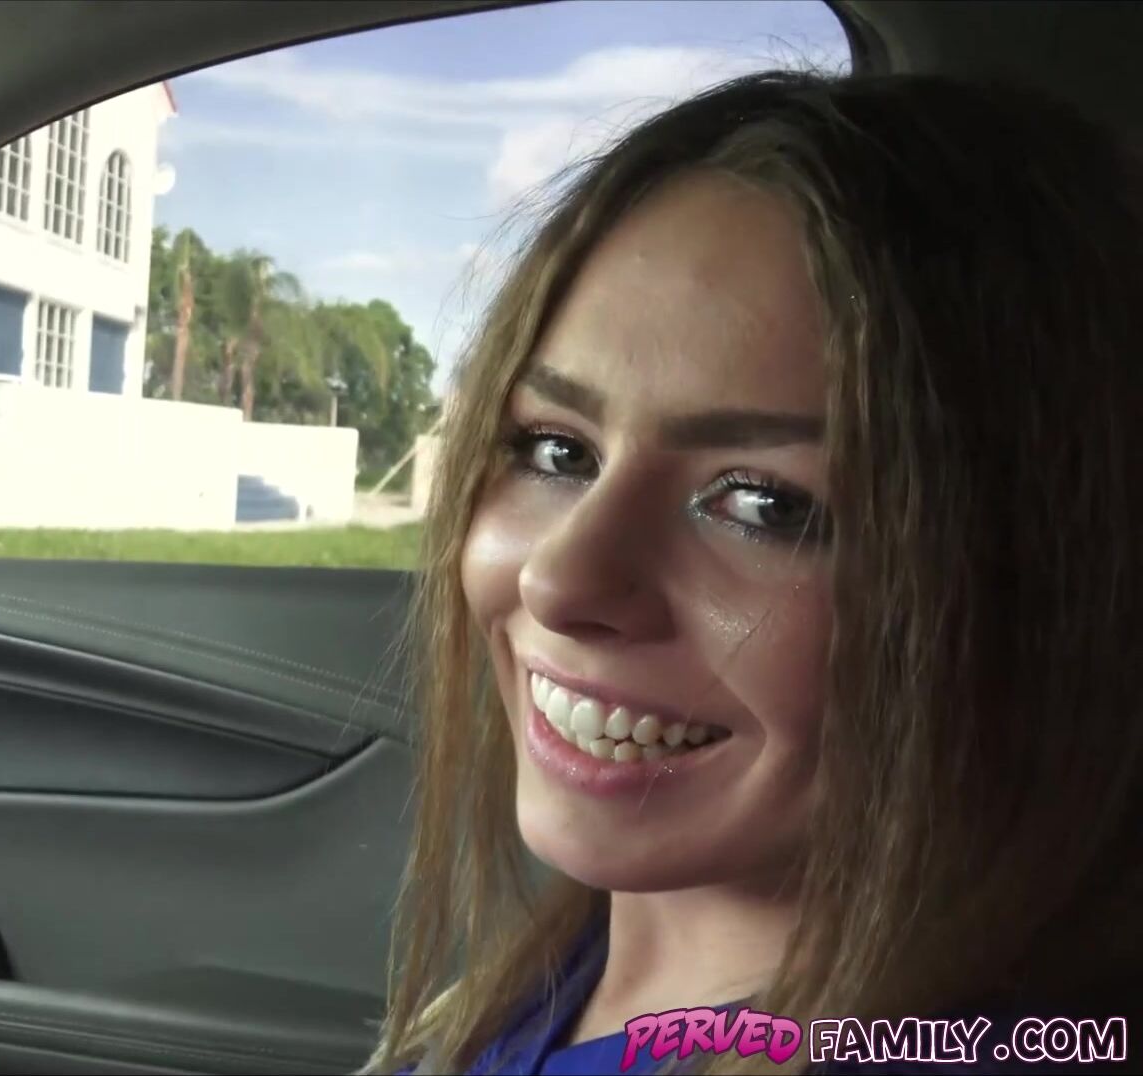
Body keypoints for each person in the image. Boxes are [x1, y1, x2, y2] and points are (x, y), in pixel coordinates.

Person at [367, 70, 1143, 1076]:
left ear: (1038, 600)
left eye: (768, 504)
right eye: (558, 450)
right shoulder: (581, 966)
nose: (560, 581)